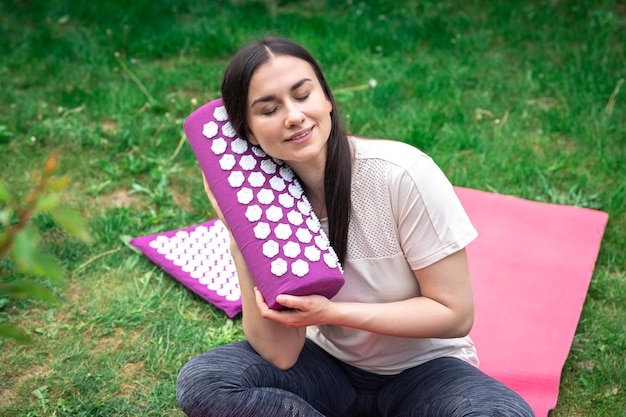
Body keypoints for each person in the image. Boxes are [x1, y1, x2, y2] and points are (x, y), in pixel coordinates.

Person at [176, 36, 535, 417]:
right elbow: (280, 355)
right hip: (327, 370)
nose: (293, 116)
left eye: (302, 95)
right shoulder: (270, 210)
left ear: (327, 99)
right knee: (206, 381)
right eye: (269, 109)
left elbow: (455, 314)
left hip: (425, 373)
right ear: (248, 131)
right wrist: (239, 235)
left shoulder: (401, 175)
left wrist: (330, 314)